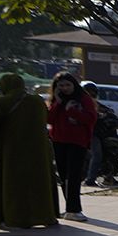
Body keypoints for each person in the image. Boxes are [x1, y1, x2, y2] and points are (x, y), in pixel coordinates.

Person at [0, 73, 58, 230]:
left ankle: (15, 216)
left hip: (12, 149)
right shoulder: (37, 101)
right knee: (38, 183)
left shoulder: (3, 102)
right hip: (38, 150)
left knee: (13, 184)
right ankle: (42, 215)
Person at [45, 72, 96, 222]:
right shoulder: (56, 101)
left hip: (78, 141)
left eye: (68, 85)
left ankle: (74, 209)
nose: (65, 88)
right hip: (59, 141)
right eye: (61, 86)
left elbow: (90, 119)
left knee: (74, 175)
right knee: (63, 175)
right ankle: (69, 208)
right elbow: (49, 119)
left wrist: (71, 110)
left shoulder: (84, 99)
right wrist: (58, 103)